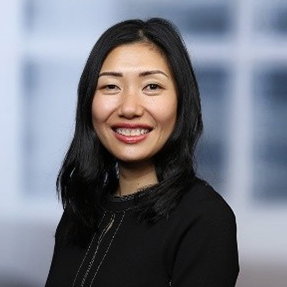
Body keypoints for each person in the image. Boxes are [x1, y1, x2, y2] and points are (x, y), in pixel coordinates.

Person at [44, 18, 239, 287]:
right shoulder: (81, 211)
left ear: (182, 101)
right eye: (111, 86)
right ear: (89, 102)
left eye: (152, 86)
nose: (129, 108)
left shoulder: (204, 220)